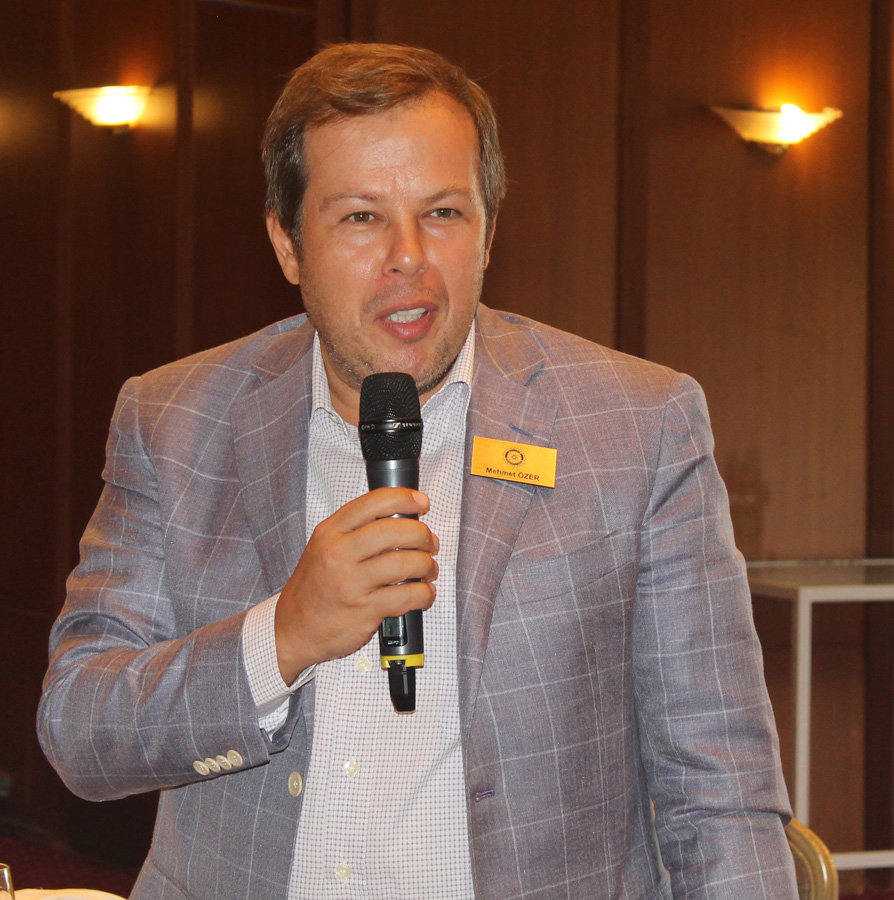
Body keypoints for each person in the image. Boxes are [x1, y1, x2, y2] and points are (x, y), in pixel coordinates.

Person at [38, 43, 798, 900]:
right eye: (362, 217)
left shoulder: (637, 425)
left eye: (443, 212)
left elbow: (720, 792)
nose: (409, 256)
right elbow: (80, 730)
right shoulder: (174, 419)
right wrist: (282, 636)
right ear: (287, 243)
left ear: (489, 230)